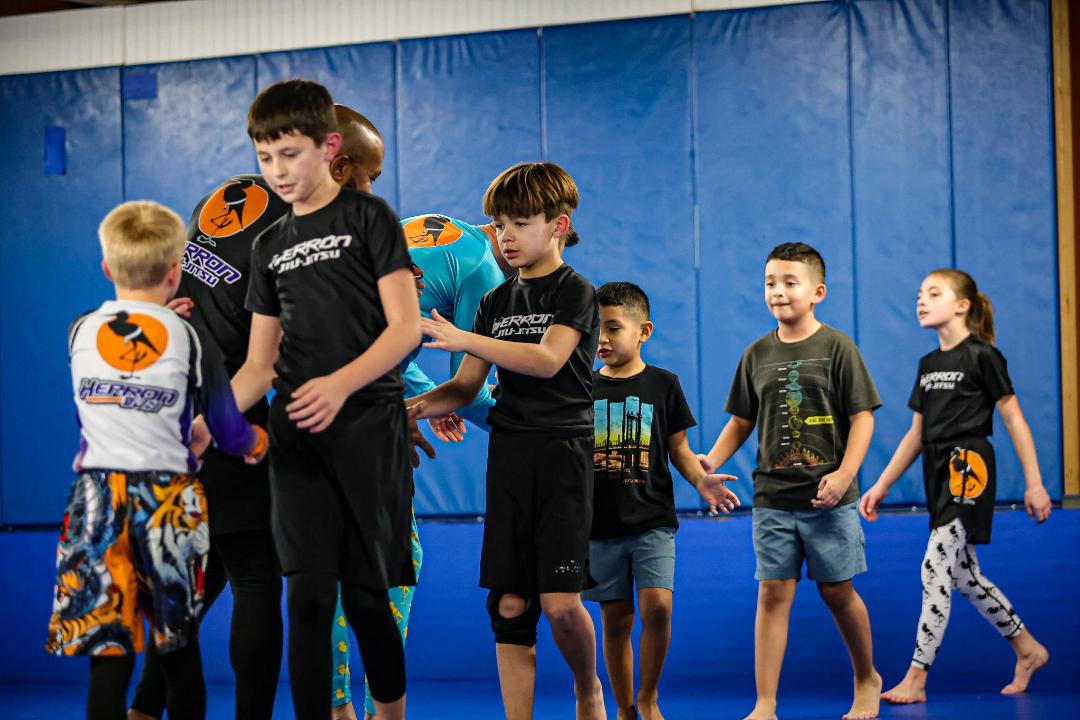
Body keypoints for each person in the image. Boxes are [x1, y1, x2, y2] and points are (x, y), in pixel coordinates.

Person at [231, 79, 420, 720]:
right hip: (297, 438)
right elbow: (259, 366)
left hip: (370, 430)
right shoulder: (267, 246)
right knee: (307, 599)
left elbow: (405, 328)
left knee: (366, 598)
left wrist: (342, 383)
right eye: (265, 157)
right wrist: (205, 422)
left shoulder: (371, 219)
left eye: (290, 154)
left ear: (328, 147)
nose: (278, 171)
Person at [45, 200, 267, 720]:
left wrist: (152, 318)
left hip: (95, 500)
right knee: (177, 646)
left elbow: (123, 364)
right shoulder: (189, 338)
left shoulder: (79, 330)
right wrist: (257, 443)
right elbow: (226, 426)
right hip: (167, 499)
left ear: (107, 269)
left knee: (109, 651)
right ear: (176, 272)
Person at [325, 104, 509, 720]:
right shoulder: (486, 271)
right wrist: (541, 425)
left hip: (328, 398)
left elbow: (388, 334)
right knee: (391, 568)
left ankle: (337, 706)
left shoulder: (430, 232)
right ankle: (374, 711)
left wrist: (426, 398)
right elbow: (477, 383)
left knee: (331, 570)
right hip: (366, 419)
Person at [410, 161, 607, 720]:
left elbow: (546, 361)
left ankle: (587, 687)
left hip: (564, 454)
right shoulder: (495, 301)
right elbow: (465, 386)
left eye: (519, 223)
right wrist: (405, 410)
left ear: (559, 226)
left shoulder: (577, 292)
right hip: (511, 455)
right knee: (511, 601)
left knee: (562, 604)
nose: (506, 237)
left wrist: (462, 335)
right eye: (498, 226)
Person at [697, 242, 882, 720]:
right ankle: (765, 702)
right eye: (770, 283)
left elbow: (862, 419)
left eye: (789, 282)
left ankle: (867, 678)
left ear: (817, 291)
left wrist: (844, 475)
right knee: (773, 593)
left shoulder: (838, 347)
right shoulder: (757, 354)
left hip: (829, 499)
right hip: (773, 498)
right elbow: (741, 420)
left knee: (837, 591)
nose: (778, 292)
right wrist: (708, 463)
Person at [128, 174, 289, 720]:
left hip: (175, 405)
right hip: (230, 411)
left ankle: (145, 709)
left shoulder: (216, 200)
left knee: (201, 580)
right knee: (254, 575)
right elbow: (270, 354)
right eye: (366, 175)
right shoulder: (296, 226)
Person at [860, 268, 1052, 704]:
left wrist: (1035, 482)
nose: (921, 301)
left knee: (934, 567)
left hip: (969, 464)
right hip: (936, 466)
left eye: (933, 293)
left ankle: (916, 678)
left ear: (962, 305)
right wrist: (882, 484)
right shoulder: (928, 366)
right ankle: (1027, 649)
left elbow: (1014, 418)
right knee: (964, 575)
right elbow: (916, 434)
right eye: (918, 295)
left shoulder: (983, 356)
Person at [585, 281, 740, 720]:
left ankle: (649, 697)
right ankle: (625, 707)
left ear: (643, 331)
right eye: (597, 329)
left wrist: (701, 481)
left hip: (652, 520)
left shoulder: (663, 384)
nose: (603, 339)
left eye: (613, 328)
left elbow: (679, 450)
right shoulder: (585, 388)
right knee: (615, 619)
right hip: (600, 525)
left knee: (658, 605)